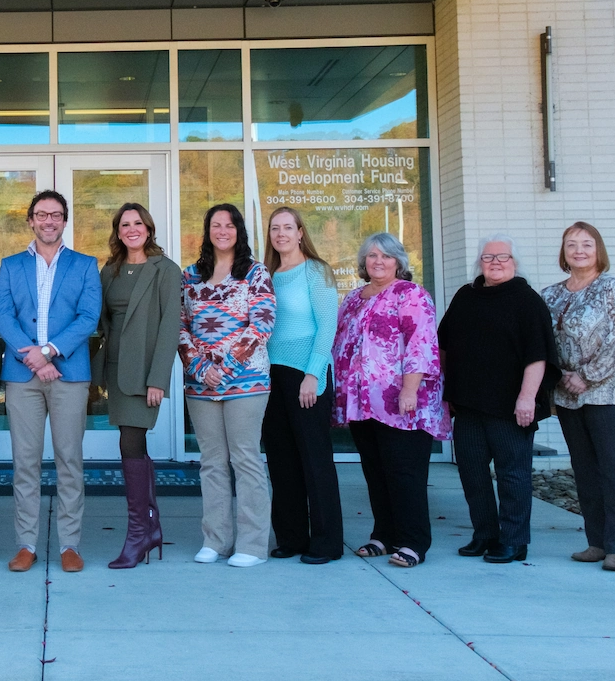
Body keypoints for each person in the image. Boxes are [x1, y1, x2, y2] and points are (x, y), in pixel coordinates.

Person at [0, 190, 102, 574]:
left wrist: (51, 351)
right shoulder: (9, 266)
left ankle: (70, 545)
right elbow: (3, 318)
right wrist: (34, 357)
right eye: (41, 214)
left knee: (69, 461)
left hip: (69, 374)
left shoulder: (85, 265)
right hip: (23, 377)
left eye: (56, 215)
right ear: (30, 220)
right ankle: (26, 543)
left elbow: (89, 317)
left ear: (65, 221)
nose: (49, 221)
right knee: (25, 463)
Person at [438, 234, 559, 564]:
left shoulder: (527, 300)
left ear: (515, 263)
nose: (495, 263)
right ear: (479, 262)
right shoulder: (466, 296)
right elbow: (444, 343)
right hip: (468, 403)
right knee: (472, 472)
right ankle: (485, 534)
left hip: (510, 406)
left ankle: (514, 540)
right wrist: (447, 389)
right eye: (488, 257)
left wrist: (527, 398)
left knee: (512, 475)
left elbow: (538, 355)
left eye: (502, 257)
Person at [332, 233, 449, 568]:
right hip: (361, 402)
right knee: (376, 471)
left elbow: (421, 344)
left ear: (398, 261)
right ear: (363, 263)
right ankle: (383, 534)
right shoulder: (354, 298)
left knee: (404, 473)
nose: (378, 261)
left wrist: (409, 389)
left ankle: (413, 541)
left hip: (401, 402)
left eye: (385, 256)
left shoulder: (411, 294)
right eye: (371, 256)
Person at [178, 204, 275, 568]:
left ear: (239, 231)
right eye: (215, 225)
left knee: (245, 459)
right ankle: (215, 540)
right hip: (200, 384)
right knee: (212, 462)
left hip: (246, 381)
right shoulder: (189, 275)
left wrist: (227, 366)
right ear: (207, 231)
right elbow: (179, 324)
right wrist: (202, 368)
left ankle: (252, 545)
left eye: (229, 224)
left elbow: (262, 323)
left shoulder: (256, 272)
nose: (222, 230)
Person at [542, 222, 615, 572]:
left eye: (586, 244)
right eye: (571, 244)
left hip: (611, 392)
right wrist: (561, 377)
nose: (579, 250)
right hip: (569, 394)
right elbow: (543, 343)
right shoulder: (550, 294)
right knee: (585, 470)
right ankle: (596, 542)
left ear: (598, 250)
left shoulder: (612, 288)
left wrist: (587, 376)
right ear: (563, 252)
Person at [91, 203, 182, 569]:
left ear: (149, 228)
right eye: (125, 224)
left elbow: (169, 327)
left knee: (131, 442)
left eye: (138, 223)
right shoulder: (109, 270)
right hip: (114, 369)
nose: (132, 229)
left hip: (144, 372)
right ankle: (151, 526)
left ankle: (138, 534)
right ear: (118, 231)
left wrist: (158, 378)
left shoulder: (165, 270)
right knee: (131, 445)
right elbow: (101, 321)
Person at [263, 206, 343, 565]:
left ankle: (327, 542)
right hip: (270, 375)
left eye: (287, 228)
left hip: (305, 372)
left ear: (300, 233)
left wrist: (313, 374)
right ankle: (291, 537)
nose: (281, 234)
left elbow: (327, 326)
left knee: (315, 460)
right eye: (275, 228)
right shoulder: (264, 275)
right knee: (281, 461)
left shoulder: (316, 270)